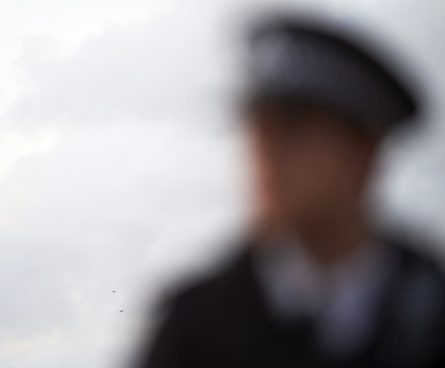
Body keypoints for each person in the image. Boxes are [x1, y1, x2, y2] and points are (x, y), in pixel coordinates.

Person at [137, 14, 445, 368]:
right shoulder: (192, 327)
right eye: (257, 127)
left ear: (363, 152)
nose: (265, 152)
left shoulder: (433, 315)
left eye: (291, 127)